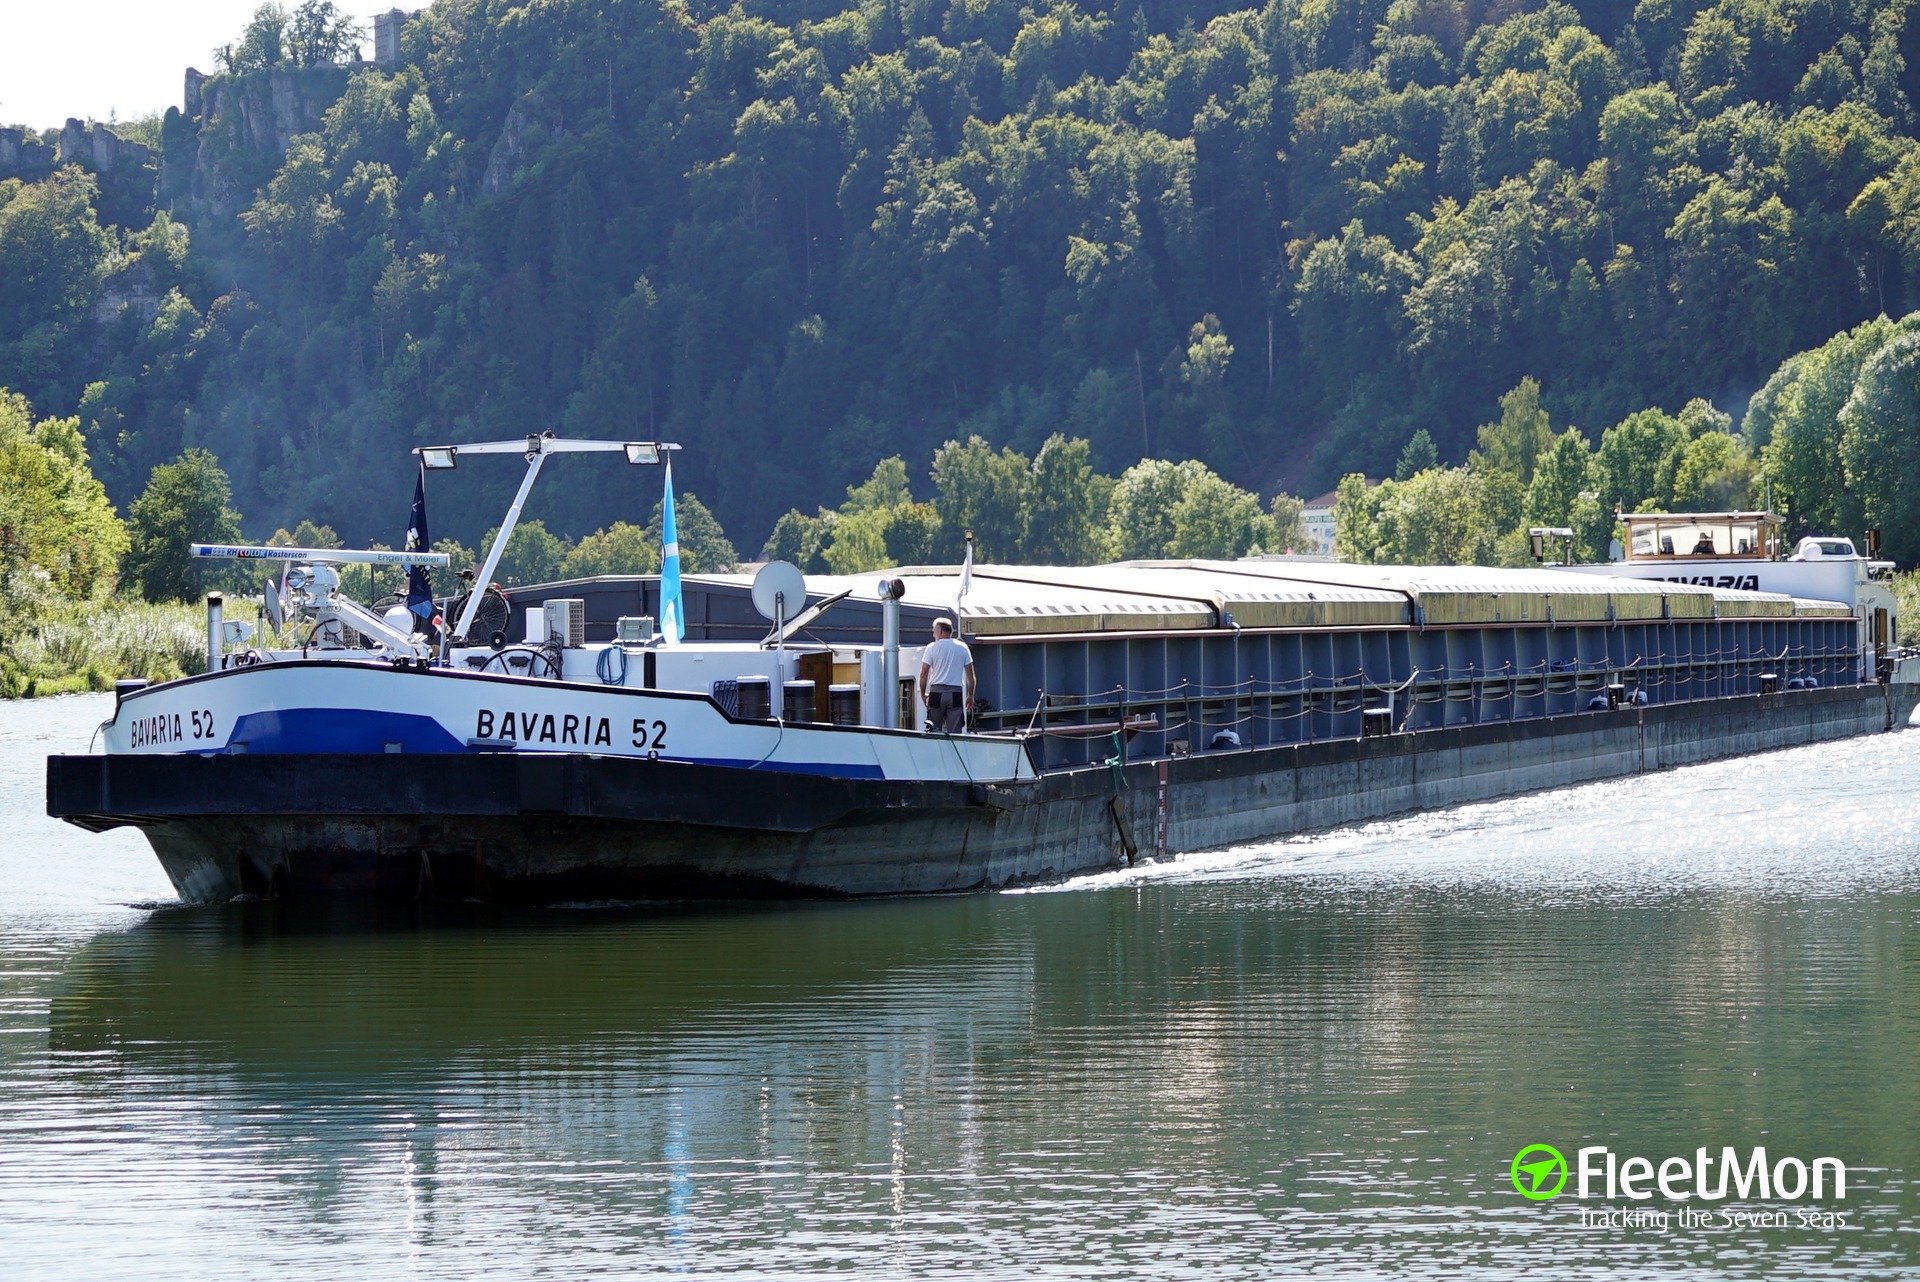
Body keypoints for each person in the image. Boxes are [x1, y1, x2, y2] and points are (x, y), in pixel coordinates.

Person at [918, 617, 975, 733]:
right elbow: (970, 675)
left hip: (936, 692)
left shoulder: (931, 648)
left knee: (934, 730)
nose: (933, 634)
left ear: (941, 631)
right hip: (956, 692)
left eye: (934, 631)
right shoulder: (963, 647)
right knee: (955, 733)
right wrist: (971, 695)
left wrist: (923, 694)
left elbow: (924, 673)